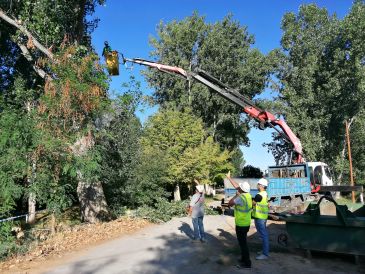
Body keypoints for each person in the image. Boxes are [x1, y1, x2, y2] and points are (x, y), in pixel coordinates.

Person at [227, 173, 252, 269]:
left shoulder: (240, 198)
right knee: (243, 242)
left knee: (243, 244)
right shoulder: (248, 195)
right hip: (246, 223)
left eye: (239, 188)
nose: (238, 188)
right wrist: (229, 178)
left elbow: (230, 203)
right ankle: (243, 259)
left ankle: (247, 263)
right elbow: (237, 186)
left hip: (241, 224)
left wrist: (235, 195)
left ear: (241, 190)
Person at [252, 178, 269, 260]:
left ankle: (265, 254)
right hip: (263, 217)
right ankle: (264, 251)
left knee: (263, 235)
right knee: (263, 235)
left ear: (261, 186)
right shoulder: (265, 193)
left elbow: (252, 203)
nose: (257, 185)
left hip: (260, 218)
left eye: (258, 184)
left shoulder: (259, 195)